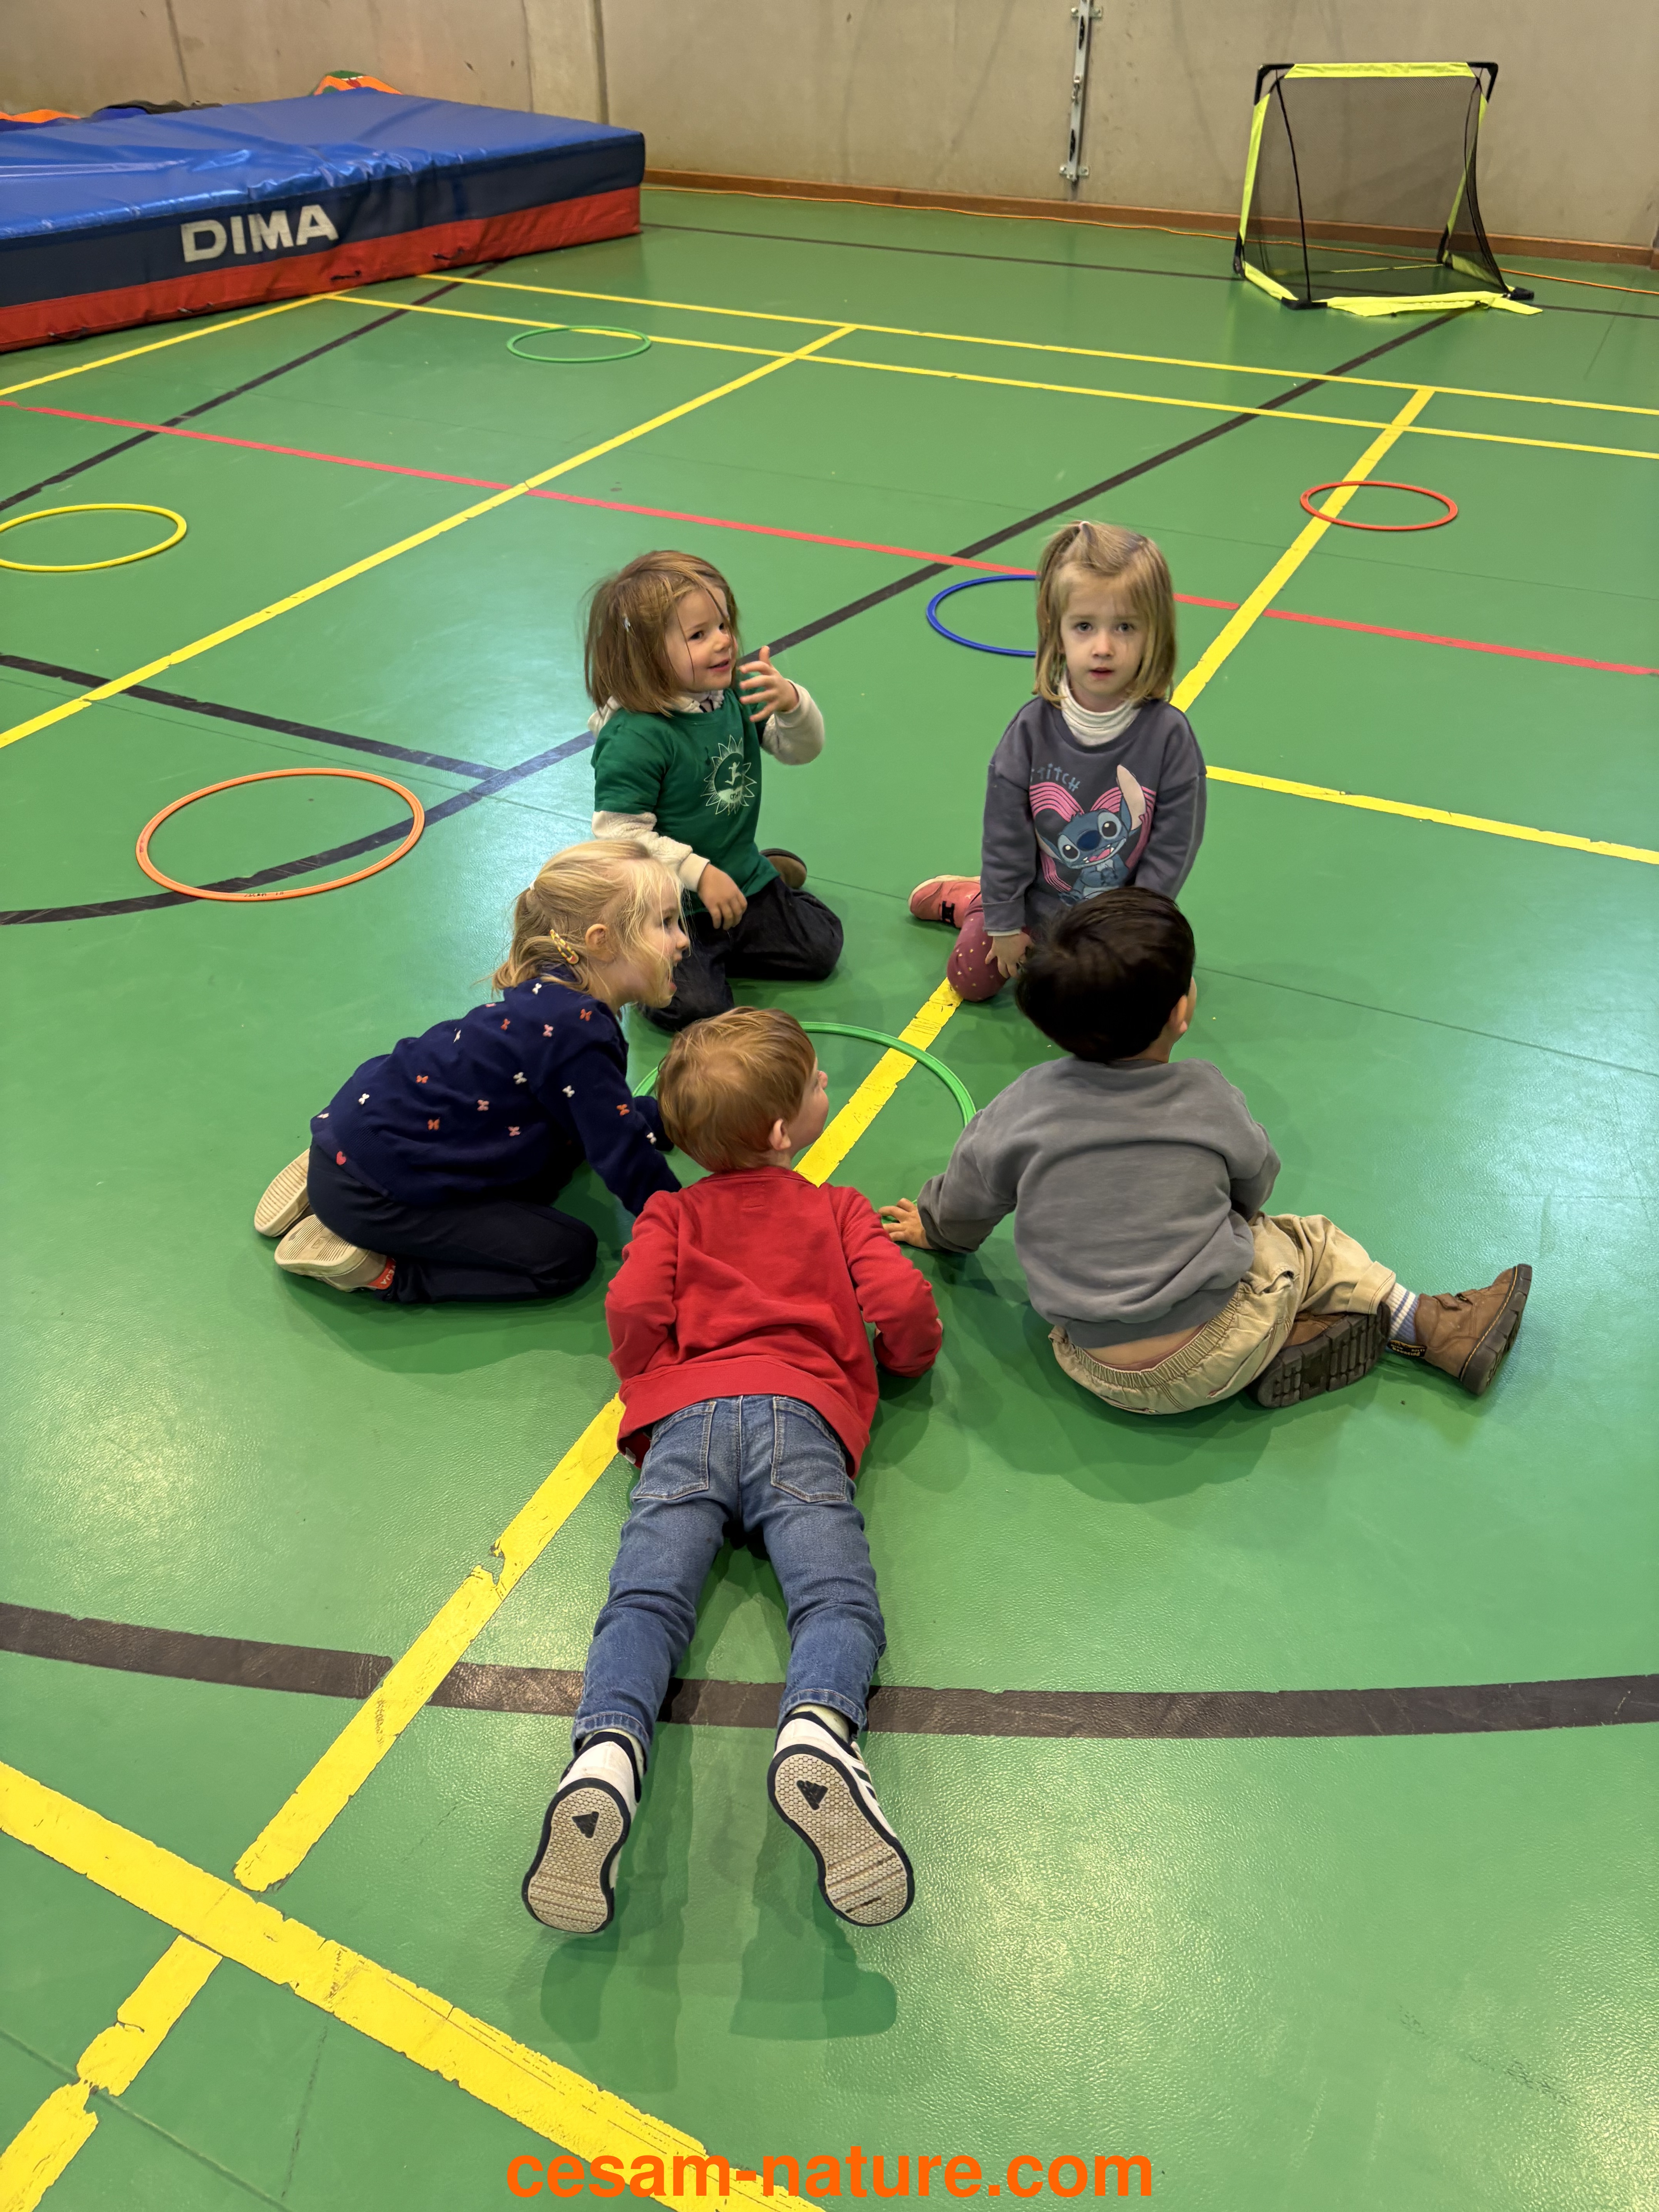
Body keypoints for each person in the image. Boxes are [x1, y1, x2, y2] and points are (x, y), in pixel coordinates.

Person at [523, 1007, 940, 1936]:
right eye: (818, 1082)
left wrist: (653, 1382)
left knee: (644, 1601)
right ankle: (818, 1729)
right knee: (835, 1601)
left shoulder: (670, 1212)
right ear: (786, 1132)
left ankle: (605, 1755)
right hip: (800, 1418)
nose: (827, 1085)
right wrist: (904, 1361)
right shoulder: (838, 1208)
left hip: (687, 1422)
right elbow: (905, 1303)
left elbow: (633, 1305)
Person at [882, 888, 1532, 1414]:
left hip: (1091, 1364)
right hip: (1214, 1345)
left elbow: (968, 1194)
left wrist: (935, 1230)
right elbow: (1255, 1184)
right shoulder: (1205, 1097)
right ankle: (1430, 1327)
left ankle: (1284, 1340)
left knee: (1224, 1259)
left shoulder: (1018, 1107)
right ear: (1182, 1011)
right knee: (1307, 1240)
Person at [251, 842, 686, 1303]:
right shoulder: (576, 1033)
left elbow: (587, 1104)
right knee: (565, 1256)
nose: (683, 941)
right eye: (666, 924)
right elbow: (622, 1155)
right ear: (603, 941)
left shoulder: (557, 986)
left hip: (362, 1122)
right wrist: (685, 1226)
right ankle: (383, 1271)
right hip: (369, 1197)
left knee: (562, 1155)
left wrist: (651, 1118)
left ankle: (342, 1164)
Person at [910, 520, 1206, 1002]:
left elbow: (1172, 850)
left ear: (1155, 633)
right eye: (1084, 626)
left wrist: (1134, 931)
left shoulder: (1169, 738)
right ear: (1057, 631)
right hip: (1034, 907)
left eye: (1125, 627)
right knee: (973, 980)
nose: (1103, 647)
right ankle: (976, 900)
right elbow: (1005, 837)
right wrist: (1006, 922)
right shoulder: (1031, 732)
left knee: (1144, 1003)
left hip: (1114, 921)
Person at [586, 548, 843, 1031]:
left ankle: (766, 875)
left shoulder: (734, 692)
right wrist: (698, 873)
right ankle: (643, 955)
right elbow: (620, 836)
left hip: (737, 875)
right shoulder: (636, 736)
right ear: (647, 654)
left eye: (723, 625)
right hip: (670, 905)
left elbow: (799, 751)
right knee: (694, 1009)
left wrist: (793, 704)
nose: (724, 641)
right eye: (699, 635)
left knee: (822, 947)